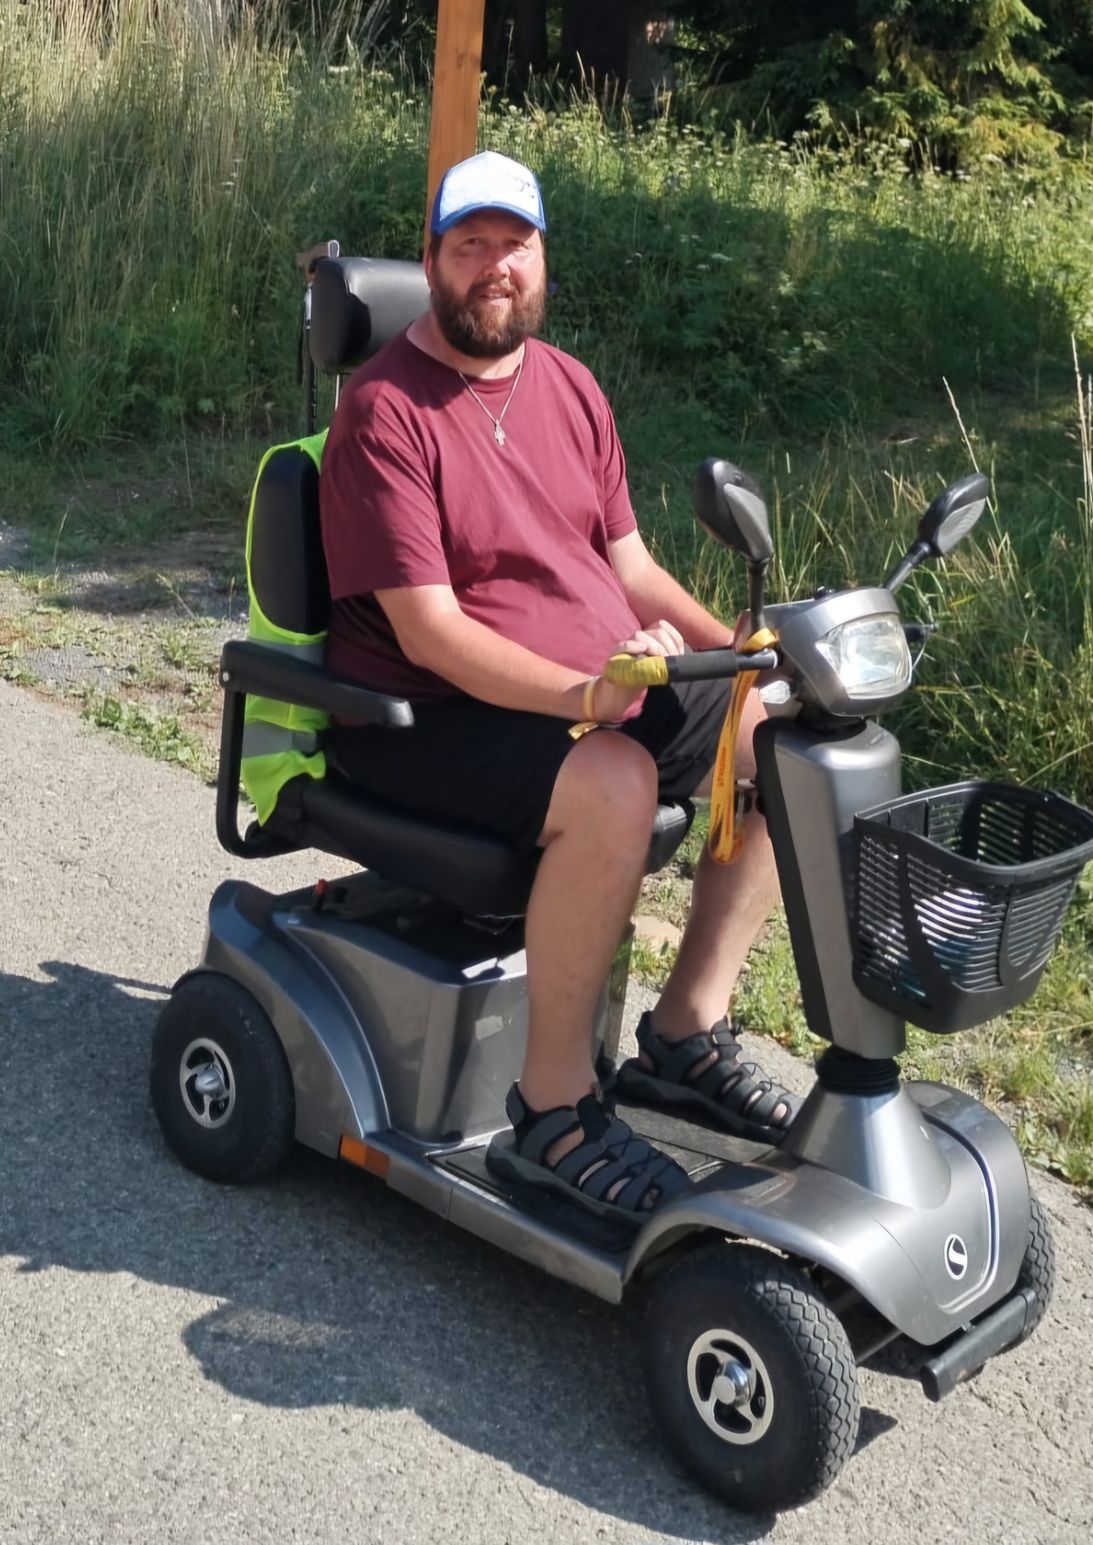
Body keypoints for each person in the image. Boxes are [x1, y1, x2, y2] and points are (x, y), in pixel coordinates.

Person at [319, 150, 799, 1221]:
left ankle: (684, 1032)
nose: (495, 266)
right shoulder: (384, 412)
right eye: (471, 245)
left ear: (542, 261)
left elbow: (631, 570)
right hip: (422, 718)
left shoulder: (571, 385)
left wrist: (741, 654)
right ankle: (552, 1111)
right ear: (433, 262)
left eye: (515, 245)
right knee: (616, 780)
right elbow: (432, 633)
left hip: (589, 689)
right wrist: (584, 699)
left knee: (777, 740)